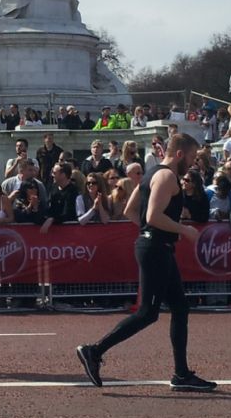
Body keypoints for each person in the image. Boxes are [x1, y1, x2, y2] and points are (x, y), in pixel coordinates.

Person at [75, 133, 216, 392]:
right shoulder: (167, 176)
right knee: (147, 313)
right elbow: (152, 215)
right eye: (193, 158)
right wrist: (183, 230)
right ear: (181, 154)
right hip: (156, 249)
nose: (193, 164)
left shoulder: (152, 174)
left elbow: (131, 211)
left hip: (156, 245)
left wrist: (153, 233)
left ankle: (182, 374)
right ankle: (94, 350)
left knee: (180, 308)